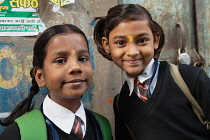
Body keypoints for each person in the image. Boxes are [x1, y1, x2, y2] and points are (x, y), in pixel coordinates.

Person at [93, 4, 210, 140]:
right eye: (120, 43)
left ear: (155, 40)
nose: (132, 52)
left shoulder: (190, 79)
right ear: (107, 45)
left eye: (142, 41)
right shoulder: (122, 104)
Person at [0, 24, 112, 140]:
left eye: (82, 59)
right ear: (40, 76)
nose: (76, 67)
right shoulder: (20, 134)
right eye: (60, 60)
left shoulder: (102, 127)